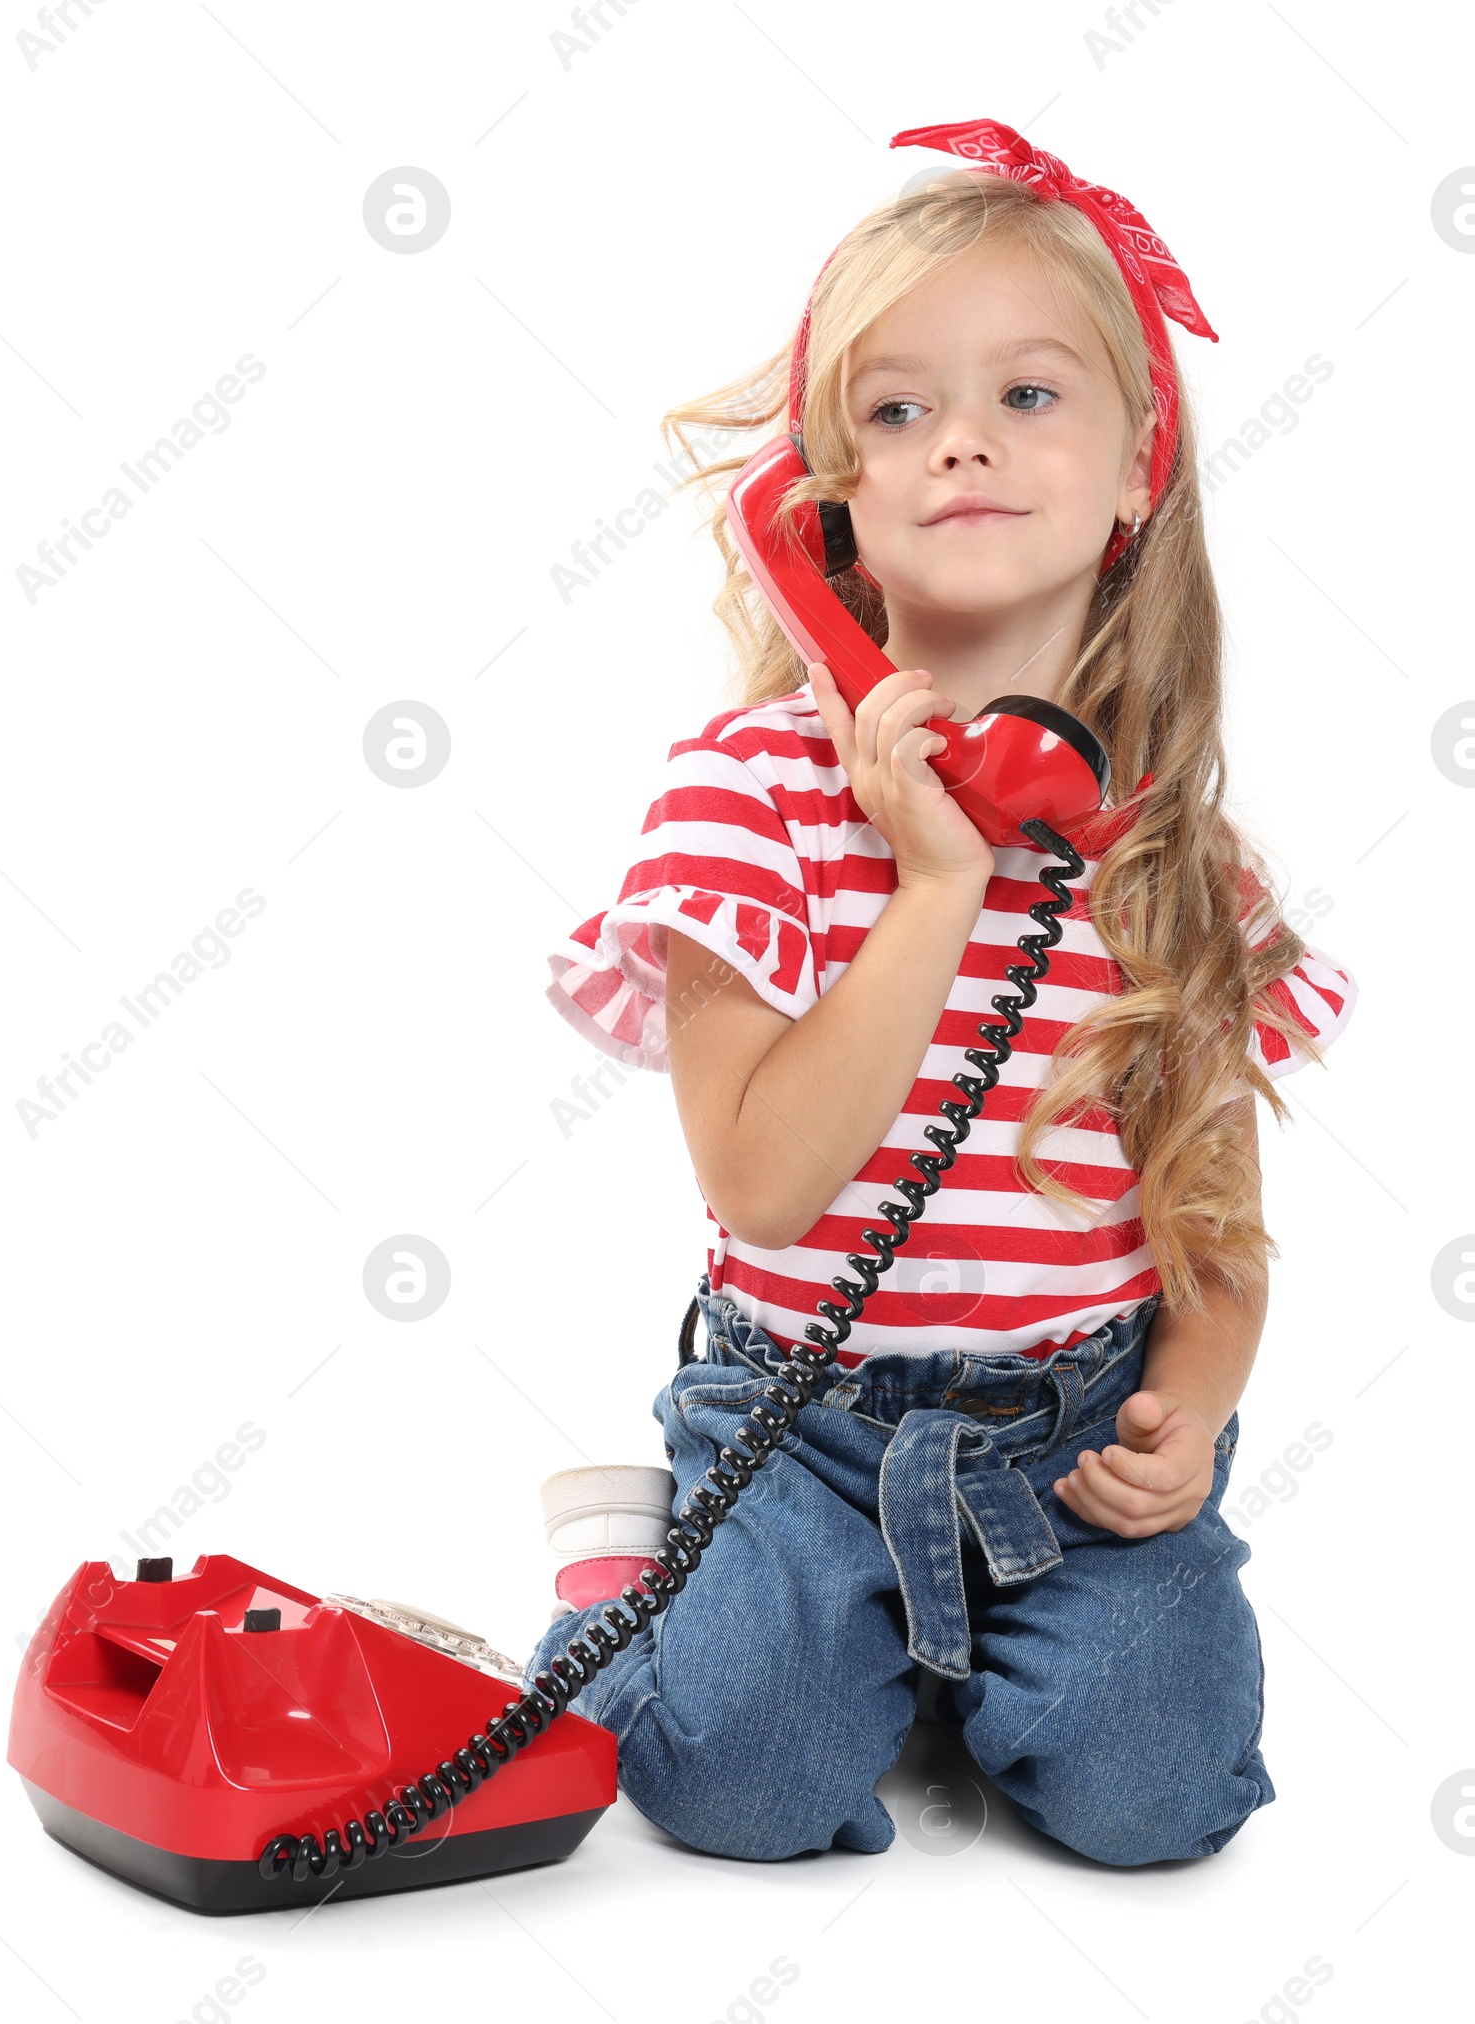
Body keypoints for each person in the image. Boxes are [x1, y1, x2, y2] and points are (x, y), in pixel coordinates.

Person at [523, 119, 1357, 1868]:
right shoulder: (744, 798)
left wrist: (1191, 1414)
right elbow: (764, 1184)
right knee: (734, 1792)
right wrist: (937, 885)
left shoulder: (1174, 861)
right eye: (894, 411)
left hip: (1062, 1444)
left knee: (1159, 1805)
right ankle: (642, 1570)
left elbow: (1217, 1237)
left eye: (1029, 396)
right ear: (817, 504)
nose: (959, 439)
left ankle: (936, 1652)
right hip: (800, 1424)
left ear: (1142, 466)